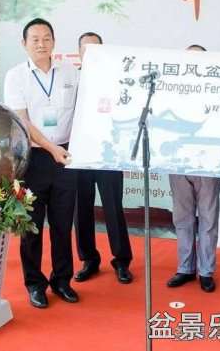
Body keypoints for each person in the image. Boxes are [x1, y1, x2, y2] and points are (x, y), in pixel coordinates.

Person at [4, 18, 80, 308]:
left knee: (62, 224)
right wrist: (51, 148)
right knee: (31, 226)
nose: (41, 44)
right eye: (34, 39)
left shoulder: (70, 72)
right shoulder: (16, 76)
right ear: (24, 44)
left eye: (46, 38)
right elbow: (22, 121)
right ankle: (35, 284)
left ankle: (62, 280)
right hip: (33, 158)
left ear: (54, 42)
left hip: (66, 156)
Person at [73, 31, 134, 284]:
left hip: (108, 154)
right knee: (81, 209)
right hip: (78, 155)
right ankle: (89, 259)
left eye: (96, 48)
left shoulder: (116, 80)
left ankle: (121, 260)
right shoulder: (70, 80)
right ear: (79, 52)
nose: (91, 53)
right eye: (86, 49)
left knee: (113, 207)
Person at [166, 44, 220, 293]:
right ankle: (185, 268)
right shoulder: (171, 91)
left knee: (208, 218)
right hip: (178, 163)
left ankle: (206, 271)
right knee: (182, 217)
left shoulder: (218, 92)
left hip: (208, 163)